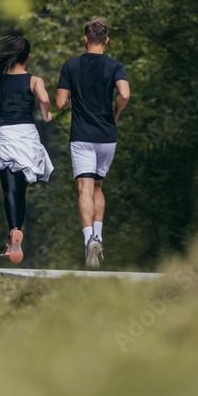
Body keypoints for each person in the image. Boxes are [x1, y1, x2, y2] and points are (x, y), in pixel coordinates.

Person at [55, 18, 130, 270]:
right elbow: (125, 94)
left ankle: (89, 241)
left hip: (82, 137)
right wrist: (116, 112)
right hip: (107, 137)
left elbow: (60, 102)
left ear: (85, 39)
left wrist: (64, 96)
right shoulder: (115, 66)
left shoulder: (71, 65)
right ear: (106, 40)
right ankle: (99, 237)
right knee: (98, 186)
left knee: (84, 189)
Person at [0, 36, 53, 263]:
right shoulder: (35, 80)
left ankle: (13, 231)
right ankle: (14, 236)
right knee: (21, 190)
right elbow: (44, 98)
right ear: (28, 57)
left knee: (9, 190)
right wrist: (46, 114)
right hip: (27, 136)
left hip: (6, 135)